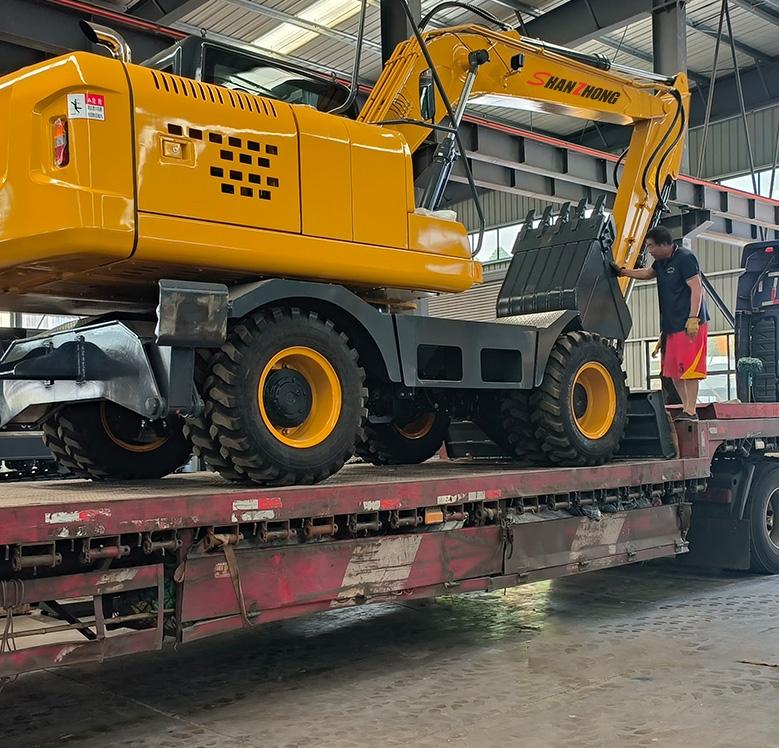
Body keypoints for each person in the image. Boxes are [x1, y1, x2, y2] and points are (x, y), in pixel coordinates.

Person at [614, 226, 709, 421]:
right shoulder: (660, 263)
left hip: (689, 324)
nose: (650, 251)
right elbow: (648, 273)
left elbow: (696, 288)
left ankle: (691, 410)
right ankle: (685, 406)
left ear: (665, 244)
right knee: (674, 371)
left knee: (690, 370)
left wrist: (693, 318)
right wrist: (623, 272)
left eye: (651, 246)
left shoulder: (685, 258)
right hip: (670, 326)